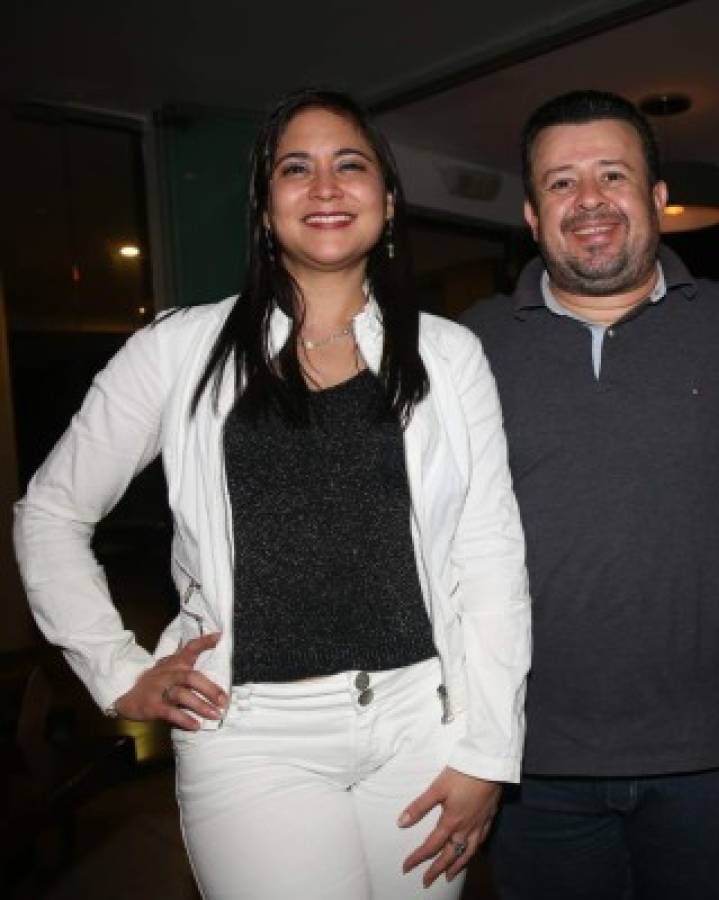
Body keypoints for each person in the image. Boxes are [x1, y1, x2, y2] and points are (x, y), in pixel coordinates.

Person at [14, 88, 530, 899]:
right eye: (296, 168)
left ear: (389, 202)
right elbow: (50, 512)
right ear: (264, 209)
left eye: (349, 165)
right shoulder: (177, 350)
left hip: (421, 726)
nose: (325, 186)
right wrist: (115, 669)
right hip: (252, 736)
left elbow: (490, 557)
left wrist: (487, 753)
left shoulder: (450, 354)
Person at [462, 90, 719, 900]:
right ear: (532, 216)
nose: (589, 199)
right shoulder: (470, 344)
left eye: (613, 174)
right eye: (561, 182)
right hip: (528, 755)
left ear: (656, 197)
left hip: (717, 749)